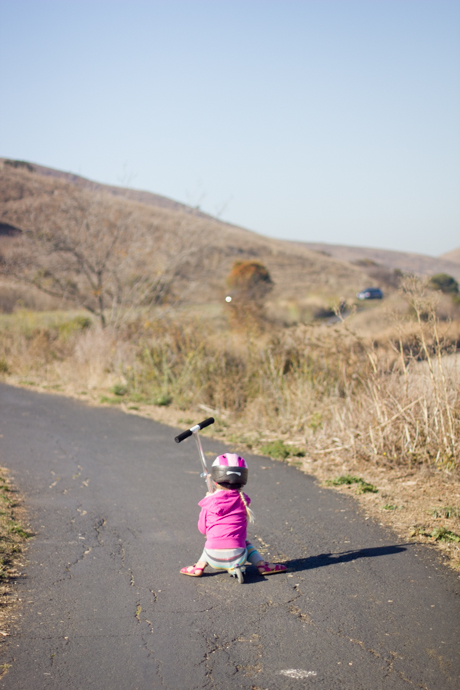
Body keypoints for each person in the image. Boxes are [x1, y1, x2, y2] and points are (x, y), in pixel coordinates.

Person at [180, 453, 287, 578]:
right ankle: (261, 564)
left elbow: (202, 530)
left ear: (215, 480)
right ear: (242, 481)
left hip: (212, 558)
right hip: (239, 556)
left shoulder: (208, 502)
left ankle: (199, 566)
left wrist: (208, 498)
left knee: (213, 540)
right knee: (243, 541)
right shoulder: (243, 501)